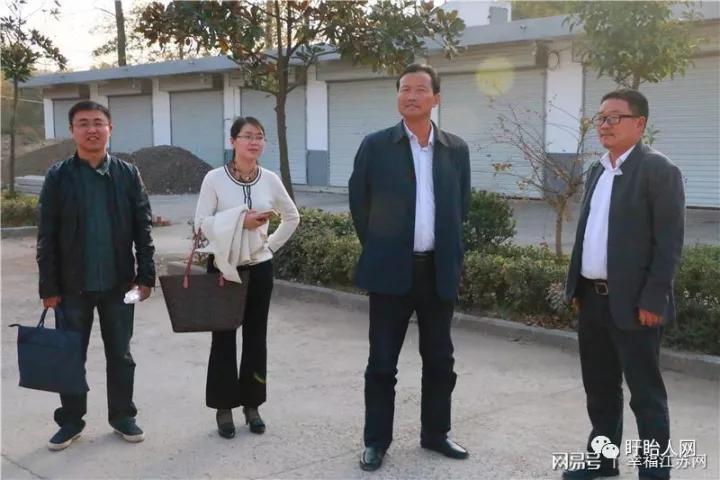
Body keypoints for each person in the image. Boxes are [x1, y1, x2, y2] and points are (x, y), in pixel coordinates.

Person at [348, 64, 471, 472]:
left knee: (440, 360)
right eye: (404, 89)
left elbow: (461, 207)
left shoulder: (455, 149)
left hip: (437, 271)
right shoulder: (376, 145)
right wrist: (381, 247)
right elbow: (359, 203)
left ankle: (435, 433)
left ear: (436, 98)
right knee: (382, 363)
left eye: (420, 89)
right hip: (390, 273)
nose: (411, 96)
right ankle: (376, 441)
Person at [563, 89, 685, 480]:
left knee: (645, 395)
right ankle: (602, 460)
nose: (604, 125)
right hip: (593, 300)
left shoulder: (659, 171)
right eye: (600, 118)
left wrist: (654, 298)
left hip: (636, 304)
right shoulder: (598, 170)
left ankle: (655, 471)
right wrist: (578, 288)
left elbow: (669, 243)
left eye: (614, 117)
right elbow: (589, 234)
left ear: (640, 123)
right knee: (600, 389)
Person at [36, 100, 155, 451]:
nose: (92, 129)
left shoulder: (127, 174)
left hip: (120, 284)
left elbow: (143, 227)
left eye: (98, 122)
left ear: (110, 128)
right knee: (71, 356)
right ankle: (71, 421)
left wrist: (145, 276)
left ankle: (123, 416)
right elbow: (47, 234)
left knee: (121, 355)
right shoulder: (58, 176)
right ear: (72, 131)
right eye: (83, 123)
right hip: (72, 286)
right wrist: (48, 286)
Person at [194, 116, 300, 439]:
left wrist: (269, 246)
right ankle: (223, 407)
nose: (254, 142)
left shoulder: (270, 179)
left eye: (259, 137)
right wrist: (241, 221)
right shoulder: (214, 179)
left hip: (259, 269)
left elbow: (292, 216)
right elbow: (201, 224)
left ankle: (252, 405)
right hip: (224, 267)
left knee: (256, 338)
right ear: (233, 141)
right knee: (223, 338)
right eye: (247, 136)